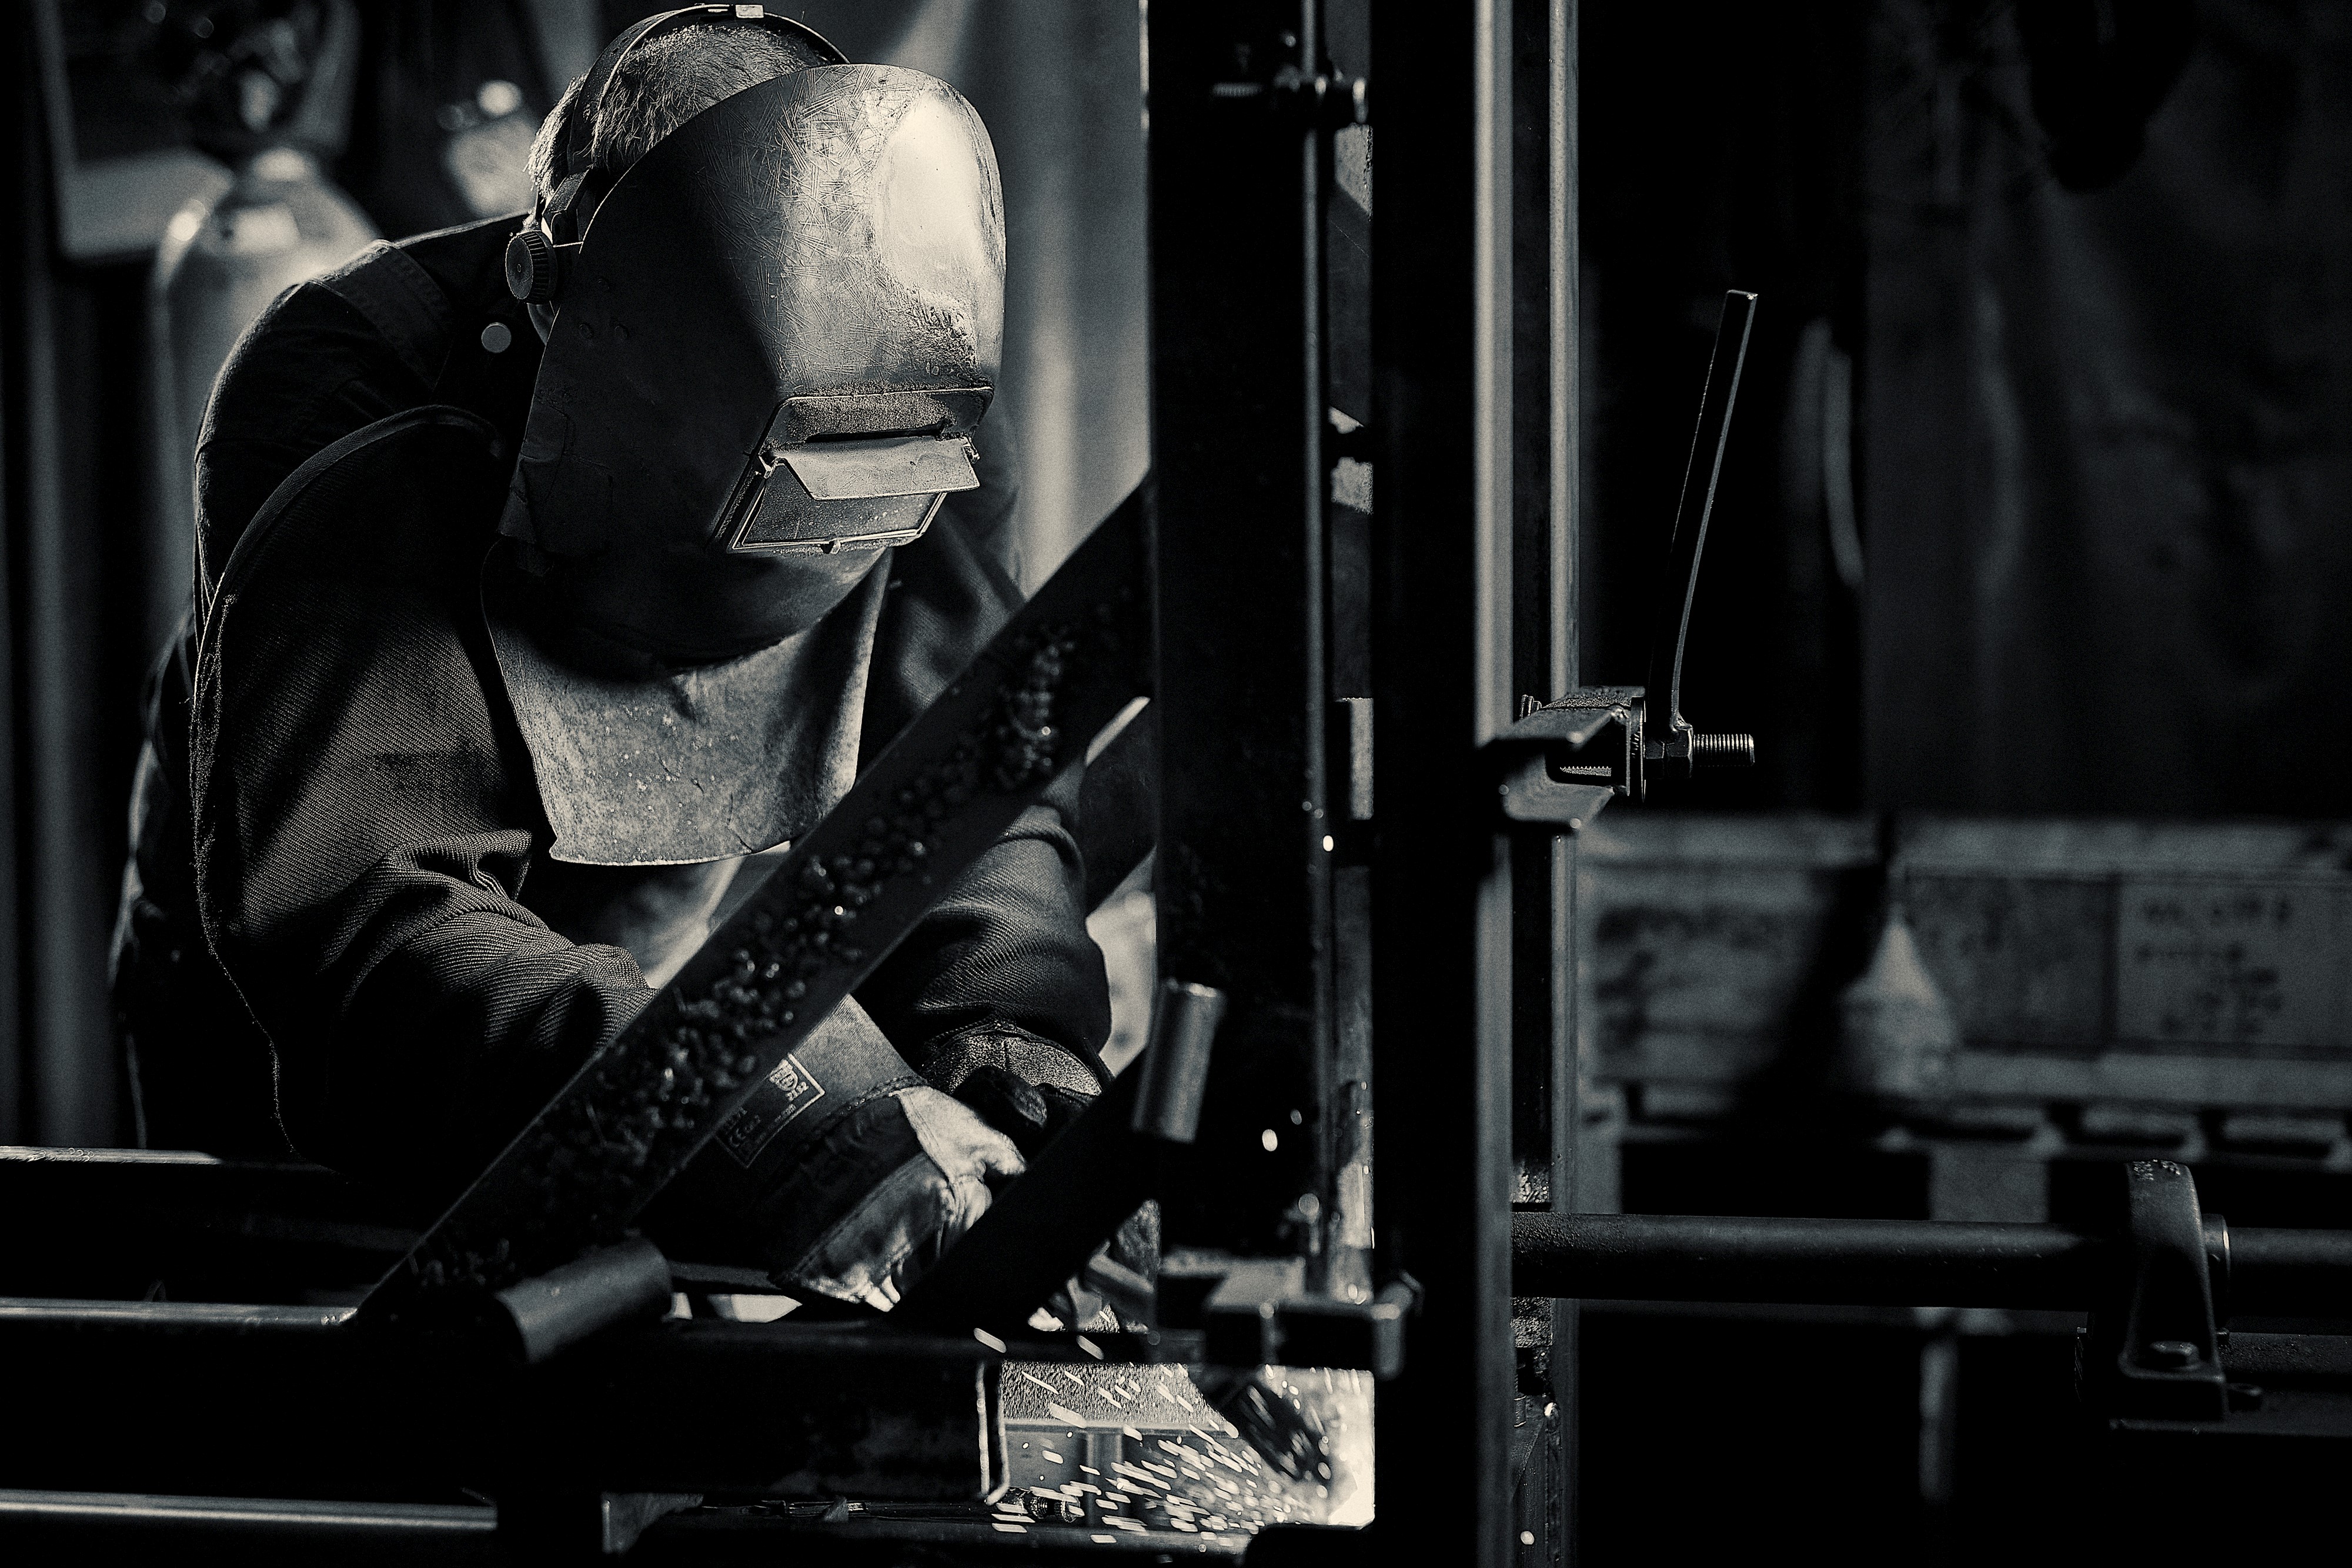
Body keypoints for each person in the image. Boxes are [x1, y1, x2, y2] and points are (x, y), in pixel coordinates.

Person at [112, 8, 1114, 1312]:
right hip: (315, 996)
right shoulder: (355, 391)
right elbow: (371, 922)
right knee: (337, 1347)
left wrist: (1010, 1027)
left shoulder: (908, 386)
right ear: (554, 295)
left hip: (643, 968)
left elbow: (972, 769)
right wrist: (774, 1118)